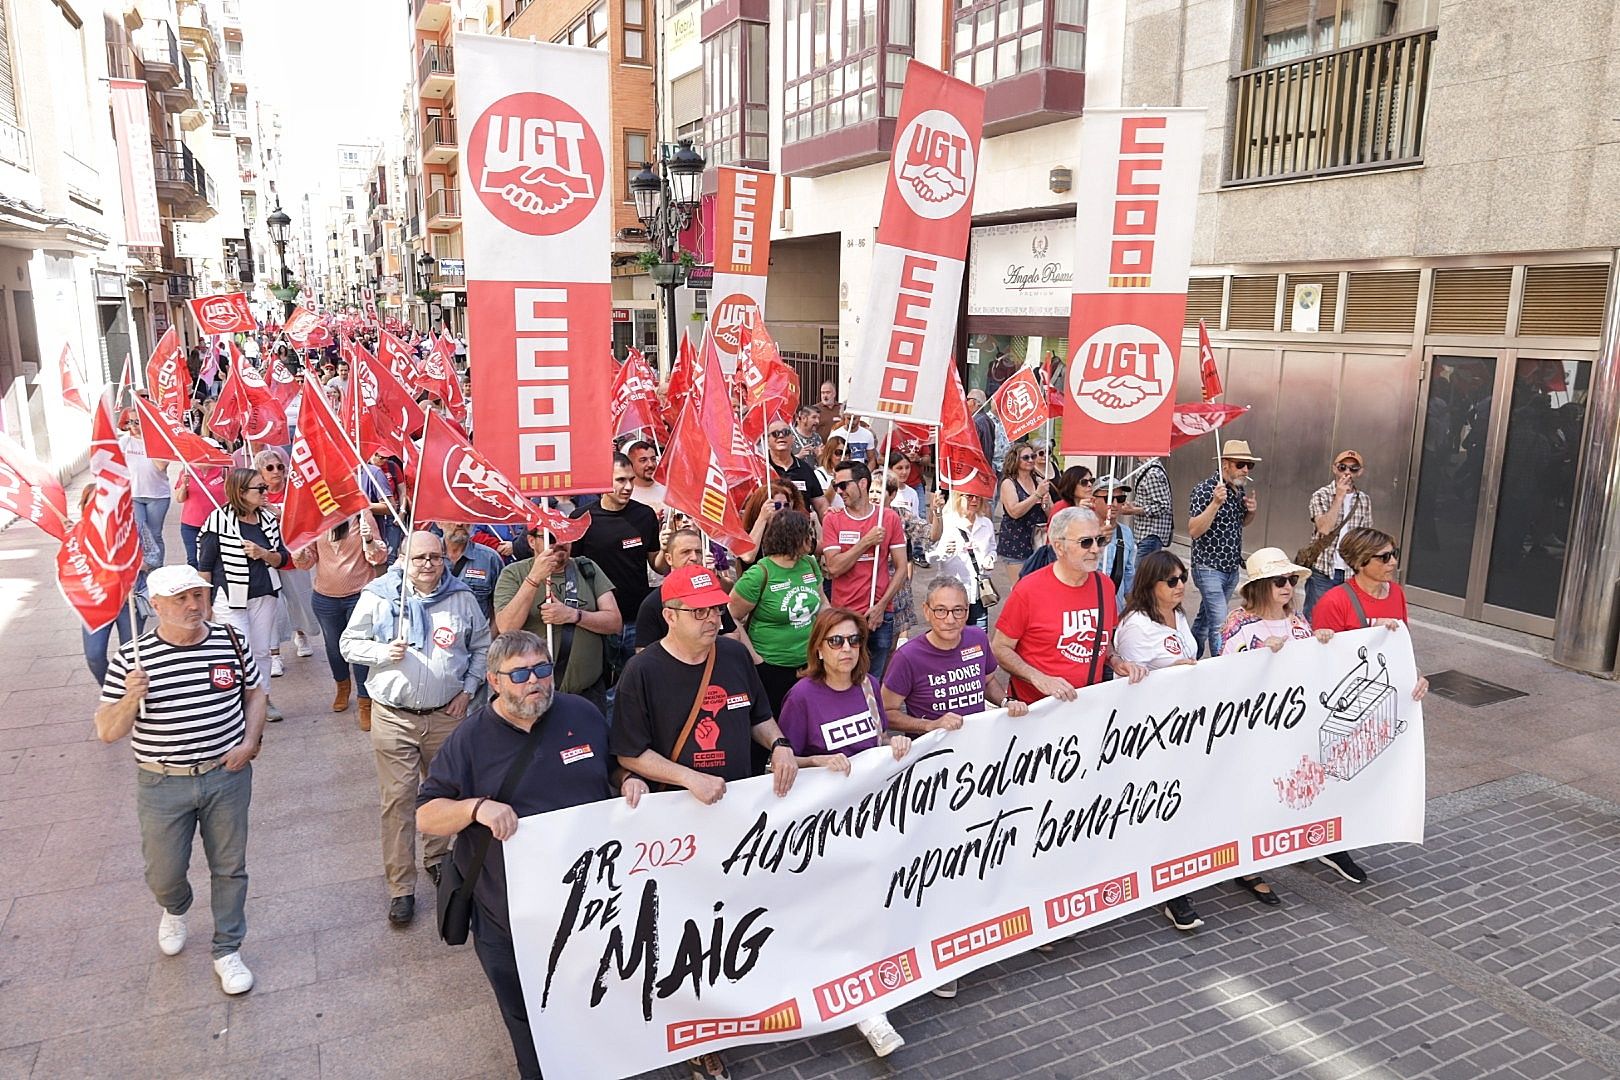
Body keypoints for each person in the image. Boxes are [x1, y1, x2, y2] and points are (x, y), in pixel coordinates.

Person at [418, 631, 646, 1080]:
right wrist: (476, 808)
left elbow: (613, 765)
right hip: (507, 916)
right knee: (527, 1016)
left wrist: (626, 780)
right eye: (519, 674)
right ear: (494, 681)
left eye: (542, 669)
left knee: (594, 1001)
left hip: (589, 907)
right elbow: (427, 815)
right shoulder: (471, 739)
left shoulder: (582, 713)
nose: (535, 682)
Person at [94, 564, 265, 996]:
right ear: (155, 606)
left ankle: (227, 949)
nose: (193, 605)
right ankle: (175, 906)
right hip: (162, 782)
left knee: (230, 867)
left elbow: (256, 692)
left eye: (198, 595)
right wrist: (131, 697)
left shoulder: (230, 639)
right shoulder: (132, 658)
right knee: (163, 871)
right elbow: (107, 731)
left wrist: (249, 741)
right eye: (180, 598)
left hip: (226, 776)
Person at [775, 607, 912, 1059]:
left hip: (873, 820)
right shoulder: (802, 696)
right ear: (818, 647)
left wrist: (893, 743)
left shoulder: (869, 688)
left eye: (854, 641)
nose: (847, 650)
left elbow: (875, 743)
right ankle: (867, 1012)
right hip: (827, 828)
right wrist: (816, 762)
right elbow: (782, 762)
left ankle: (869, 997)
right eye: (836, 642)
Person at [339, 530, 491, 926]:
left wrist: (470, 688)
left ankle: (437, 857)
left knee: (441, 795)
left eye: (435, 557)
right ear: (402, 560)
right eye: (419, 557)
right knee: (399, 801)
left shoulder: (460, 597)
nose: (428, 564)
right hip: (394, 717)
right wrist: (381, 652)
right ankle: (401, 888)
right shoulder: (379, 596)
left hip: (446, 715)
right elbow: (349, 643)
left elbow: (481, 646)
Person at [1303, 526, 1429, 885]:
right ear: (1360, 562)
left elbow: (1402, 646)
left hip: (1380, 702)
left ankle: (1341, 836)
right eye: (1385, 557)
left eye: (1394, 554)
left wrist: (1416, 676)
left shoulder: (1397, 594)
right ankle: (1329, 844)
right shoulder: (1336, 602)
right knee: (1339, 774)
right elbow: (1321, 662)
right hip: (1345, 708)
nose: (1393, 563)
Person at [991, 506, 1148, 703]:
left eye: (1100, 540)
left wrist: (1115, 660)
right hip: (1037, 710)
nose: (1095, 549)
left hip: (1086, 707)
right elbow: (1000, 648)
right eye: (1085, 542)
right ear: (1059, 547)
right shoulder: (1028, 591)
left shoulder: (1105, 586)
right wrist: (1037, 677)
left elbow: (1101, 639)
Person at [569, 453, 664, 708]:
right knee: (601, 688)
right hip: (597, 621)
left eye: (631, 480)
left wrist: (667, 549)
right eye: (620, 480)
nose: (628, 487)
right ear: (603, 481)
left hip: (637, 619)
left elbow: (657, 564)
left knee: (636, 687)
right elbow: (572, 570)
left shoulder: (644, 515)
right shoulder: (581, 518)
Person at [197, 467, 292, 723]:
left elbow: (282, 558)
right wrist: (205, 608)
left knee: (261, 651)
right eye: (260, 488)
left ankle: (262, 699)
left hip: (265, 593)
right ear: (241, 492)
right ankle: (236, 703)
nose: (266, 492)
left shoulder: (269, 519)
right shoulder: (217, 521)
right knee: (238, 651)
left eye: (265, 487)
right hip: (230, 598)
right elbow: (204, 568)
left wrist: (263, 553)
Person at [883, 576, 1025, 739]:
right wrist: (930, 725)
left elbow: (987, 681)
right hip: (933, 754)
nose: (950, 620)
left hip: (976, 745)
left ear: (967, 612)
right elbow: (886, 712)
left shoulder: (978, 638)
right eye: (941, 611)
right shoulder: (907, 657)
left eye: (958, 610)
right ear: (927, 611)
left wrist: (1005, 702)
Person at [491, 535, 620, 710]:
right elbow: (506, 627)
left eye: (566, 536)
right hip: (535, 695)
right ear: (531, 541)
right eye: (551, 537)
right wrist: (534, 578)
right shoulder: (514, 573)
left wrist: (573, 615)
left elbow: (614, 622)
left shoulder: (586, 568)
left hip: (589, 695)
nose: (560, 543)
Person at [292, 512, 389, 729]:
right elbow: (307, 562)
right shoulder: (314, 517)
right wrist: (299, 555)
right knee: (334, 649)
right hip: (325, 598)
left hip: (360, 596)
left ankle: (365, 701)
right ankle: (342, 687)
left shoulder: (361, 515)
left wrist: (370, 541)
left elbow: (379, 558)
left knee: (361, 650)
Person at [729, 510, 823, 715]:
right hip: (771, 667)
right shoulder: (759, 574)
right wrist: (756, 660)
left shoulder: (809, 563)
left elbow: (823, 604)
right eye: (808, 533)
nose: (812, 538)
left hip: (810, 662)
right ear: (793, 536)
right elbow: (731, 616)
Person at [821, 460, 909, 679]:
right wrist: (865, 542)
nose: (839, 491)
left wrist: (881, 606)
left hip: (878, 614)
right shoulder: (832, 519)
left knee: (873, 680)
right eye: (835, 485)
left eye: (843, 485)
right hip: (844, 615)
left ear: (862, 483)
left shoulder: (888, 518)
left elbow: (901, 569)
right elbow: (834, 568)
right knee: (843, 678)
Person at [1188, 440, 1261, 658]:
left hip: (1231, 569)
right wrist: (1214, 504)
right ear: (1225, 464)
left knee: (1205, 619)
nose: (1245, 470)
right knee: (1220, 622)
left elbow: (1239, 524)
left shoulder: (1239, 490)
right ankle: (1222, 666)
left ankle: (1191, 655)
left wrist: (1251, 512)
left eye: (1249, 465)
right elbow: (1194, 530)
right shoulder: (1205, 490)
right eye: (1240, 464)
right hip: (1208, 567)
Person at [254, 448, 316, 673]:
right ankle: (274, 655)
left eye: (280, 466)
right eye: (270, 468)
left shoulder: (294, 490)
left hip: (293, 554)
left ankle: (301, 634)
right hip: (266, 557)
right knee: (273, 606)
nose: (276, 472)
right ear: (260, 471)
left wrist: (275, 510)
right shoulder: (254, 492)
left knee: (298, 600)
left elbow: (301, 515)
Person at [636, 526, 740, 653]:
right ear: (669, 558)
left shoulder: (713, 595)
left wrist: (708, 649)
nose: (694, 558)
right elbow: (644, 654)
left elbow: (733, 633)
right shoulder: (652, 604)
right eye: (686, 552)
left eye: (698, 552)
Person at [1219, 548, 1334, 656]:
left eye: (1292, 580)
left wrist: (1319, 639)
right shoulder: (1238, 623)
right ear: (1260, 586)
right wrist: (1262, 652)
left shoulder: (1296, 617)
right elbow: (1227, 668)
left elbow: (1308, 656)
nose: (1288, 586)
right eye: (1280, 581)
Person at [1303, 450, 1375, 620]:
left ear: (1360, 472)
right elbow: (1324, 528)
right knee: (1316, 618)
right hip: (1324, 570)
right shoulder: (1321, 495)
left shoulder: (1363, 500)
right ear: (1335, 469)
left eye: (1353, 468)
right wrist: (1339, 497)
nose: (1347, 473)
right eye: (1343, 467)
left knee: (1346, 619)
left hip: (1352, 572)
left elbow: (1367, 539)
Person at [930, 490, 996, 630]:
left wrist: (990, 558)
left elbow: (992, 548)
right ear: (958, 498)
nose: (974, 500)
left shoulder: (986, 524)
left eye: (978, 496)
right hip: (951, 595)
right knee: (950, 637)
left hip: (977, 594)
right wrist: (944, 551)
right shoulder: (947, 522)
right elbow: (930, 557)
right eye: (969, 496)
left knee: (978, 641)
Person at [119, 410, 173, 565]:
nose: (133, 426)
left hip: (157, 495)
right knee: (139, 533)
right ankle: (142, 568)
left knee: (155, 534)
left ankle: (157, 568)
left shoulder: (159, 440)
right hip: (134, 494)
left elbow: (161, 466)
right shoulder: (125, 442)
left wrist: (149, 441)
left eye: (137, 422)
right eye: (130, 422)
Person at [997, 444, 1051, 579]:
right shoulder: (1009, 483)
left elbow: (1051, 514)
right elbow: (1014, 512)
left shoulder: (1039, 481)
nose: (1031, 460)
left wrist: (1045, 503)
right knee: (1020, 586)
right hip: (1016, 542)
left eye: (1033, 456)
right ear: (1015, 460)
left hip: (1038, 541)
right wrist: (1037, 495)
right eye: (1026, 457)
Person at [440, 520, 506, 623]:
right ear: (438, 523)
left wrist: (488, 637)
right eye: (452, 519)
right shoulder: (426, 555)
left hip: (477, 636)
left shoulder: (490, 559)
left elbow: (501, 607)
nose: (459, 523)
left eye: (464, 517)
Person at [1092, 477, 1138, 609]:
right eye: (1108, 498)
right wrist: (1097, 541)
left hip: (1115, 610)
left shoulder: (1126, 533)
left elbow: (1128, 574)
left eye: (1120, 499)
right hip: (1088, 607)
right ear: (1093, 501)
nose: (1114, 503)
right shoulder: (1082, 530)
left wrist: (1134, 609)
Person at [766, 419, 828, 515]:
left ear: (793, 438)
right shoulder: (760, 469)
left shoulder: (805, 469)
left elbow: (821, 505)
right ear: (768, 440)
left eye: (786, 432)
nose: (781, 436)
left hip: (801, 527)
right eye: (775, 433)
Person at [174, 461, 229, 569]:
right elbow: (179, 499)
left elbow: (230, 496)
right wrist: (184, 485)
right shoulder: (187, 471)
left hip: (215, 524)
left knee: (213, 560)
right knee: (193, 560)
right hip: (191, 524)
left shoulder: (223, 470)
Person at [1132, 458, 1174, 559]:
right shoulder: (1148, 469)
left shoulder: (1152, 473)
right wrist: (1132, 505)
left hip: (1150, 535)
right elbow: (1147, 501)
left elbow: (1163, 506)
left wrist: (1132, 510)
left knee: (1142, 573)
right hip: (1145, 534)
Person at [624, 438, 667, 516]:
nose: (650, 464)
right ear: (631, 463)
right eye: (643, 460)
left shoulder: (667, 489)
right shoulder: (625, 494)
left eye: (653, 459)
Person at [967, 388, 997, 477]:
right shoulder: (986, 420)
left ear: (976, 403)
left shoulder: (977, 422)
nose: (966, 402)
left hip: (977, 469)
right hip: (983, 467)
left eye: (968, 399)